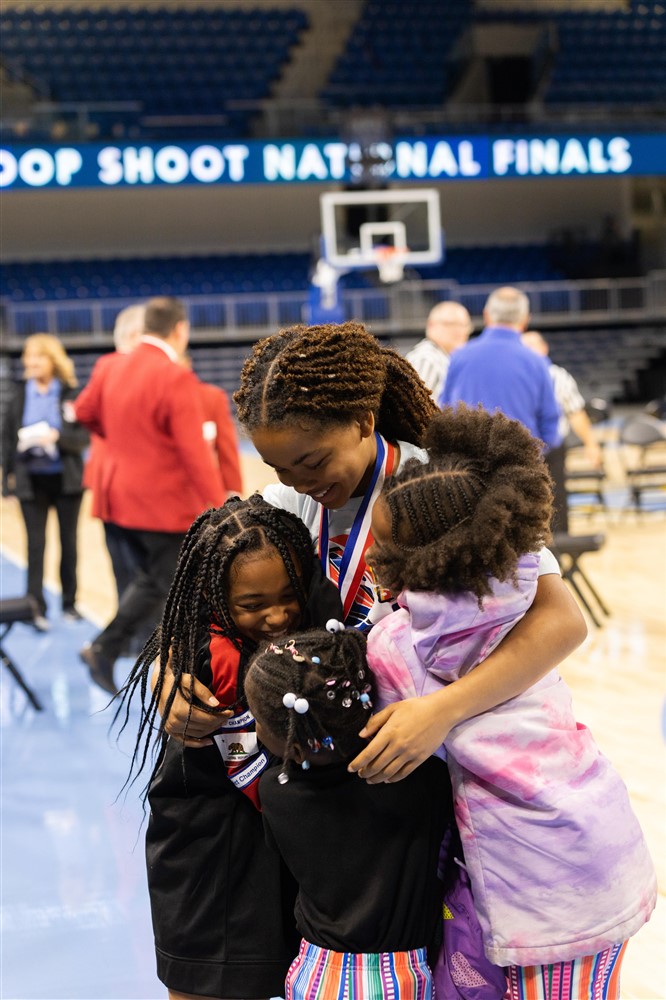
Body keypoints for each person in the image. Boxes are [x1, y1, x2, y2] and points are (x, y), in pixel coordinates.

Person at [155, 321, 586, 787]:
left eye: (314, 462)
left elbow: (563, 622)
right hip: (342, 754)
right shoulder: (288, 503)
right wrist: (170, 667)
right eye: (279, 468)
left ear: (364, 422)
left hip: (449, 754)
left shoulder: (440, 487)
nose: (299, 481)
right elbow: (203, 598)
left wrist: (442, 711)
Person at [362, 404, 657, 999]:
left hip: (532, 880)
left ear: (414, 558)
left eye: (383, 544)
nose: (370, 554)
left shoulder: (396, 644)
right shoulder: (522, 584)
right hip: (596, 850)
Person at [115, 495, 343, 1000]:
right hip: (212, 847)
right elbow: (247, 772)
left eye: (288, 595)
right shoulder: (206, 651)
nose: (278, 614)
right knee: (204, 985)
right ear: (217, 598)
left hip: (294, 843)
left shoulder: (320, 617)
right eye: (252, 605)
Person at [243, 625, 453, 1000]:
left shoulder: (277, 793)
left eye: (258, 720)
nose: (256, 728)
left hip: (315, 972)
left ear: (293, 747)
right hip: (402, 978)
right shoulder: (423, 777)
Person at [75, 296, 224, 695]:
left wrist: (126, 441)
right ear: (180, 330)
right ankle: (105, 648)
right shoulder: (173, 375)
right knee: (162, 583)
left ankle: (157, 663)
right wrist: (219, 506)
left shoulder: (110, 364)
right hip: (164, 505)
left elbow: (84, 412)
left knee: (146, 581)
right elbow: (194, 452)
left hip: (119, 499)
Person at [1, 334, 89, 630]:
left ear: (53, 360)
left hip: (66, 481)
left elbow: (82, 439)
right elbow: (6, 440)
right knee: (35, 546)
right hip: (30, 482)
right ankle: (34, 605)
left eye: (38, 357)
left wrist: (58, 438)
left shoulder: (70, 393)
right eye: (28, 357)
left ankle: (70, 604)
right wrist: (6, 483)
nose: (31, 362)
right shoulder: (18, 395)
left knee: (69, 544)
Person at [78, 303, 146, 602]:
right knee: (146, 574)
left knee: (125, 570)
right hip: (132, 486)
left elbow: (85, 412)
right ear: (134, 335)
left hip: (110, 484)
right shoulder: (124, 369)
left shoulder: (106, 368)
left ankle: (130, 638)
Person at [440, 287, 561, 452]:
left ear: (486, 315)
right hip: (520, 466)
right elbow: (550, 428)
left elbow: (445, 413)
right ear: (525, 320)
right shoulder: (538, 363)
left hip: (468, 465)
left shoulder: (458, 357)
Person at [522, 330, 603, 533]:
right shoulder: (513, 377)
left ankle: (560, 547)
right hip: (520, 448)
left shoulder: (558, 376)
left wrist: (591, 444)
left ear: (544, 348)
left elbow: (576, 413)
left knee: (556, 501)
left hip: (552, 448)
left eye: (533, 345)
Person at [405, 300, 473, 400]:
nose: (460, 331)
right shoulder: (426, 359)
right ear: (431, 325)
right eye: (452, 324)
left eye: (464, 326)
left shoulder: (442, 357)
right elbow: (415, 408)